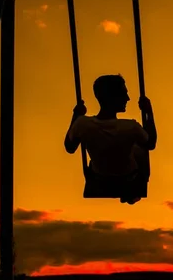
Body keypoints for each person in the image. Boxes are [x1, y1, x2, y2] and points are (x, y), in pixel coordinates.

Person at [64, 74, 157, 204]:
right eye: (124, 94)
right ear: (113, 97)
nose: (128, 98)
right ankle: (131, 194)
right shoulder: (131, 127)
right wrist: (149, 112)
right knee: (141, 148)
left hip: (100, 177)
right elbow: (151, 143)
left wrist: (76, 115)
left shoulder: (83, 124)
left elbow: (70, 147)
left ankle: (126, 190)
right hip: (128, 178)